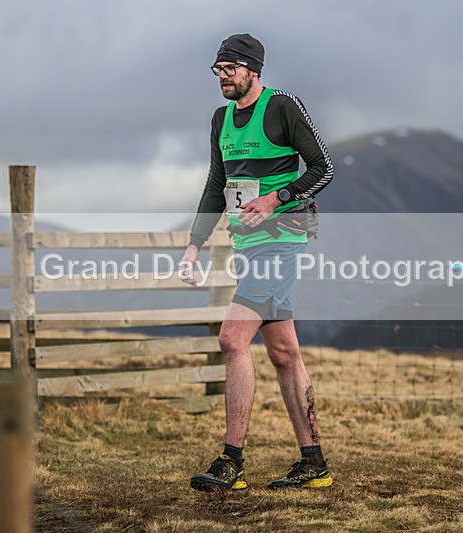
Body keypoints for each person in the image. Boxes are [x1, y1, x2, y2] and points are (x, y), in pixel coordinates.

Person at [179, 33, 335, 491]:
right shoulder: (221, 119)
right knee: (284, 353)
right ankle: (314, 463)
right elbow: (216, 184)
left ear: (252, 69)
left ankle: (231, 463)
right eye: (218, 69)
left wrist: (276, 198)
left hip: (282, 241)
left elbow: (322, 168)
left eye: (230, 68)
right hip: (248, 246)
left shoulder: (282, 106)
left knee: (232, 339)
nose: (222, 77)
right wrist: (194, 245)